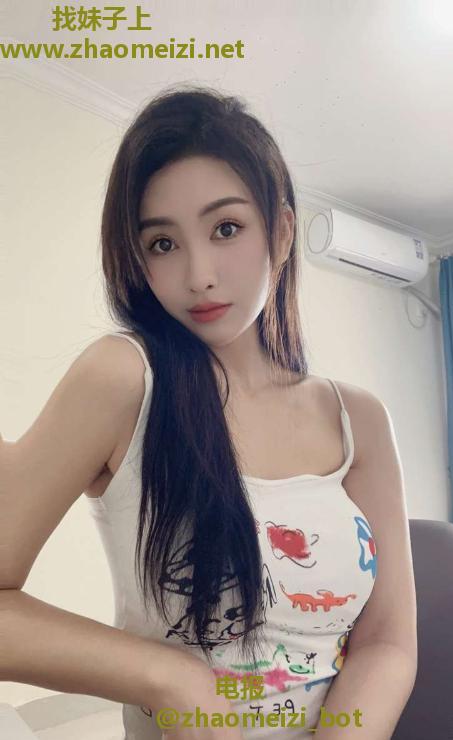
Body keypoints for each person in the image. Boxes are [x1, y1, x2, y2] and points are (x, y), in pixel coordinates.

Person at [0, 84, 417, 739]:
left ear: (281, 232)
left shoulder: (356, 418)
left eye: (226, 229)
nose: (198, 274)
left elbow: (387, 641)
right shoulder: (125, 378)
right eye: (162, 243)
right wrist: (172, 678)